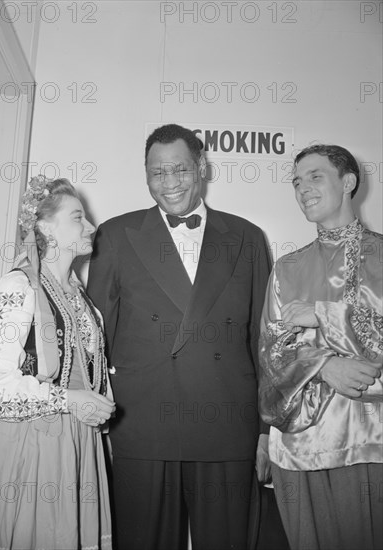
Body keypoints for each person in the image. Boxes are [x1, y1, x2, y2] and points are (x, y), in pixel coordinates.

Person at [87, 123, 272, 550]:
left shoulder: (245, 236)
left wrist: (267, 429)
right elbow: (95, 341)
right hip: (141, 424)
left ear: (202, 168)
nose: (168, 183)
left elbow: (263, 340)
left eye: (179, 170)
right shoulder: (115, 236)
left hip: (226, 422)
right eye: (157, 173)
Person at [0, 176, 116, 550]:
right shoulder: (17, 287)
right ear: (46, 228)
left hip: (80, 446)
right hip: (33, 444)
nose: (91, 227)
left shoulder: (82, 300)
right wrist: (68, 400)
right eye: (78, 217)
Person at [258, 144, 383, 550]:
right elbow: (271, 352)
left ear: (347, 182)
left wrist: (324, 315)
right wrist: (326, 366)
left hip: (372, 440)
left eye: (315, 177)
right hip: (302, 445)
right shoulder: (288, 268)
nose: (303, 189)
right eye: (297, 182)